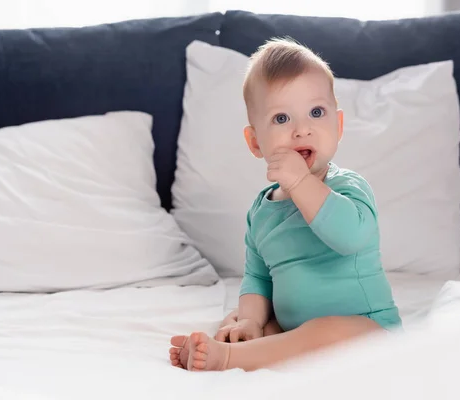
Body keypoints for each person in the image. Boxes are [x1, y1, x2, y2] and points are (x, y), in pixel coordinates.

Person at [169, 37, 401, 372]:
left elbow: (350, 237)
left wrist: (301, 183)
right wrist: (249, 319)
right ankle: (237, 342)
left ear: (337, 126)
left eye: (316, 113)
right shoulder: (262, 211)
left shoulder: (349, 188)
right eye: (281, 119)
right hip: (294, 330)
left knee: (325, 332)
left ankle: (230, 358)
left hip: (367, 332)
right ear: (255, 143)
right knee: (245, 320)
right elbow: (258, 277)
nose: (302, 129)